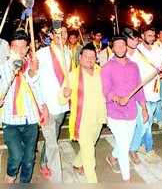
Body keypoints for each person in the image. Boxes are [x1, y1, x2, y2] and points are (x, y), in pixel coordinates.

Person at [0, 29, 48, 183]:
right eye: (16, 47)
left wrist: (43, 106)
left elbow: (35, 85)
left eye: (23, 47)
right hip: (11, 121)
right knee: (17, 155)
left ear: (28, 48)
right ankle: (11, 173)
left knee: (29, 158)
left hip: (30, 120)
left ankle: (24, 183)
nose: (20, 51)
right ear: (10, 48)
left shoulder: (31, 66)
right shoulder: (4, 67)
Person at [101, 35, 147, 182]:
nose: (120, 48)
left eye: (123, 45)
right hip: (114, 112)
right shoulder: (107, 67)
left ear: (126, 46)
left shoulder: (134, 65)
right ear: (112, 48)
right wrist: (117, 98)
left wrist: (144, 108)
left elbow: (139, 88)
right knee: (123, 143)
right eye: (117, 45)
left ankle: (112, 156)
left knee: (125, 142)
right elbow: (105, 90)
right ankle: (126, 179)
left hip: (132, 111)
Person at [59, 43, 107, 183]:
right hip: (82, 121)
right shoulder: (72, 76)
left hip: (98, 118)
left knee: (90, 145)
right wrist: (65, 94)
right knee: (89, 153)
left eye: (92, 57)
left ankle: (77, 163)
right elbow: (61, 100)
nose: (89, 59)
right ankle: (92, 181)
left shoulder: (101, 71)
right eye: (86, 56)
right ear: (80, 57)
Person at [125, 27, 162, 164]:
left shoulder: (159, 50)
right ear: (142, 36)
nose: (152, 38)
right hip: (141, 92)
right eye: (149, 35)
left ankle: (138, 145)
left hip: (155, 90)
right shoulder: (136, 51)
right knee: (145, 123)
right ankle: (148, 148)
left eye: (153, 35)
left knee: (146, 122)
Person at [36, 26, 71, 182]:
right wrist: (40, 104)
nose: (62, 35)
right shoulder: (41, 54)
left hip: (62, 105)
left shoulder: (68, 53)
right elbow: (32, 80)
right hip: (47, 107)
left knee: (53, 138)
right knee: (52, 144)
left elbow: (68, 79)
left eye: (64, 32)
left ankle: (43, 161)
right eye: (58, 32)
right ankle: (57, 179)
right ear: (51, 34)